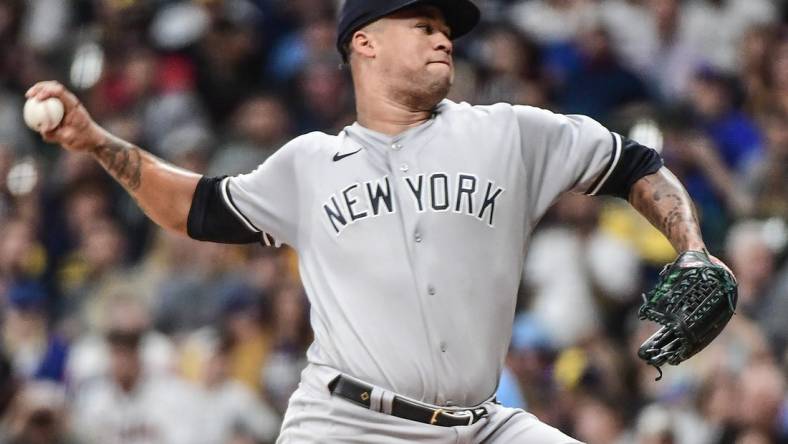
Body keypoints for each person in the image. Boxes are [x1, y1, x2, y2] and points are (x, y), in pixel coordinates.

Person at [26, 0, 732, 441]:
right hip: (345, 424)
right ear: (364, 41)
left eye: (447, 28)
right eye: (423, 23)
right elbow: (195, 208)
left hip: (482, 427)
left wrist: (694, 247)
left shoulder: (509, 133)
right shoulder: (308, 164)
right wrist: (97, 143)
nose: (443, 38)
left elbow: (636, 161)